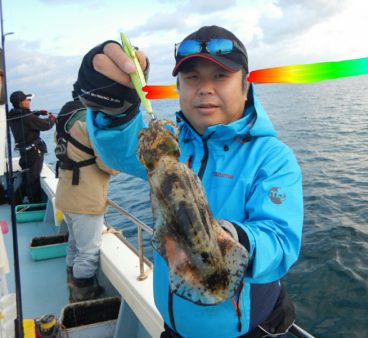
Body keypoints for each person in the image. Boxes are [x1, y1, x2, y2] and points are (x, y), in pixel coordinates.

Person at [74, 25, 303, 337]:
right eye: (192, 77)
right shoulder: (167, 145)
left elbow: (280, 240)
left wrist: (225, 238)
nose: (205, 88)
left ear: (245, 86)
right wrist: (114, 110)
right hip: (172, 326)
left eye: (220, 76)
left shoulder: (272, 157)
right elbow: (119, 151)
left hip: (246, 329)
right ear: (178, 87)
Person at [54, 93, 118, 302]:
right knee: (88, 253)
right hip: (86, 198)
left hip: (66, 194)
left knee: (74, 245)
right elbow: (107, 165)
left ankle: (72, 287)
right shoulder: (87, 119)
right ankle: (83, 297)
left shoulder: (65, 114)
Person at [8, 91, 55, 203]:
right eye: (26, 100)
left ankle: (14, 201)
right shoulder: (27, 117)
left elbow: (24, 115)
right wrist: (52, 117)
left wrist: (37, 112)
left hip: (24, 153)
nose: (28, 102)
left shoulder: (11, 115)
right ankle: (36, 204)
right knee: (33, 180)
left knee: (27, 178)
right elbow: (47, 125)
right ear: (21, 102)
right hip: (34, 152)